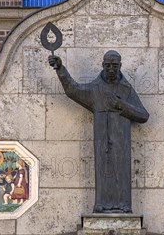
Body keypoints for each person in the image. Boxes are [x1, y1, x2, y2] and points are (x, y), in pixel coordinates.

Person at [48, 50, 149, 213]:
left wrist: (122, 105)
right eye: (107, 65)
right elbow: (73, 90)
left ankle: (124, 204)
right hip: (101, 137)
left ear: (120, 66)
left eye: (114, 66)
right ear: (102, 65)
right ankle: (101, 203)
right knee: (102, 166)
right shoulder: (95, 88)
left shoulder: (126, 89)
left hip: (121, 138)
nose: (111, 69)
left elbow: (143, 115)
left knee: (122, 168)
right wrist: (60, 69)